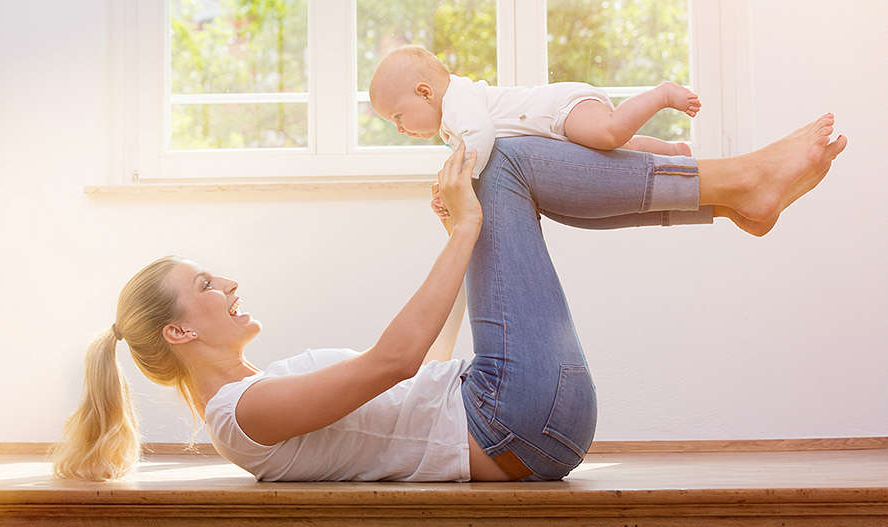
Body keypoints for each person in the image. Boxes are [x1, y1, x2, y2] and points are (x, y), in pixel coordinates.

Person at [50, 114, 846, 482]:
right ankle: (738, 185)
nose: (227, 283)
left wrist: (460, 237)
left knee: (498, 162)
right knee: (496, 159)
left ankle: (733, 196)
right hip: (513, 417)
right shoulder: (243, 413)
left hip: (516, 413)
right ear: (180, 331)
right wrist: (467, 228)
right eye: (205, 284)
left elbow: (421, 365)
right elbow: (395, 361)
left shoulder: (259, 392)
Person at [369, 45, 700, 179]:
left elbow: (481, 135)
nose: (400, 129)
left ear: (425, 93)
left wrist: (463, 180)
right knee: (622, 148)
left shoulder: (457, 98)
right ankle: (676, 152)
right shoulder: (451, 125)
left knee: (609, 133)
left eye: (398, 116)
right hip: (559, 124)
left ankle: (662, 94)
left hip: (561, 109)